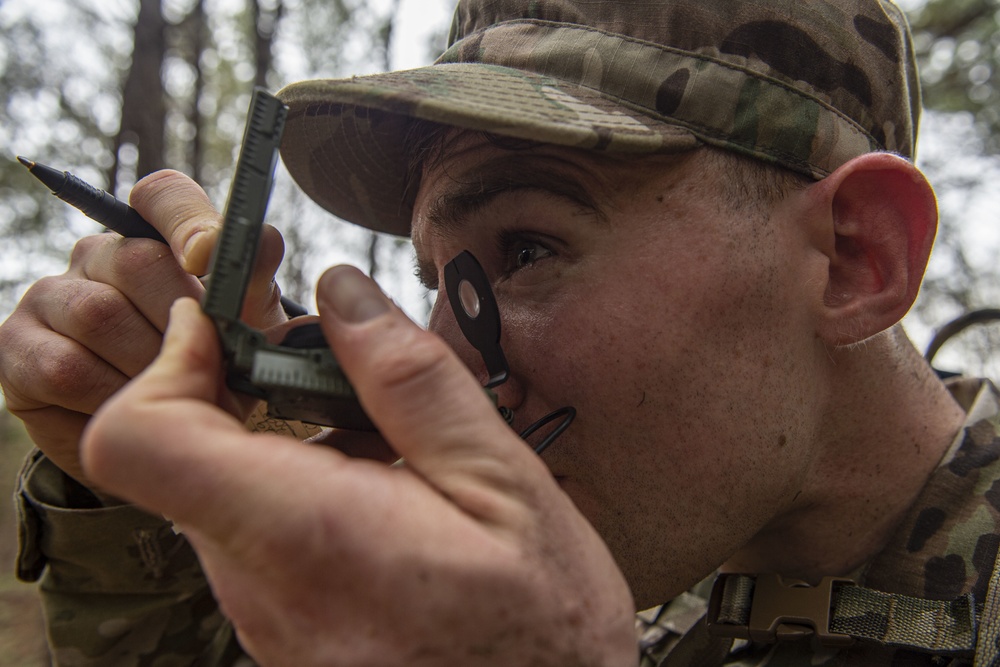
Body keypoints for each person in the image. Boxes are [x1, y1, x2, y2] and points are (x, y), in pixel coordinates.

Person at [1, 0, 998, 664]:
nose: (438, 352)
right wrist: (145, 501)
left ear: (857, 256)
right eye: (433, 278)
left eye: (525, 249)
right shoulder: (648, 559)